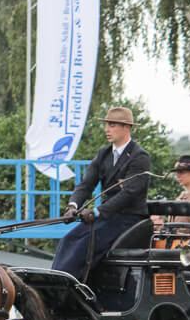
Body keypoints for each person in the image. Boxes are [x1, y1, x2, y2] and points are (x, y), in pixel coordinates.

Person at [51, 107, 151, 279]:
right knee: (69, 239)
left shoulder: (139, 157)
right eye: (106, 125)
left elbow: (128, 194)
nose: (107, 130)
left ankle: (69, 287)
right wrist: (72, 206)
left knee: (84, 243)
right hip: (107, 216)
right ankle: (55, 281)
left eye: (112, 125)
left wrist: (97, 212)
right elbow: (86, 184)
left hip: (129, 217)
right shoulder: (103, 153)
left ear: (126, 127)